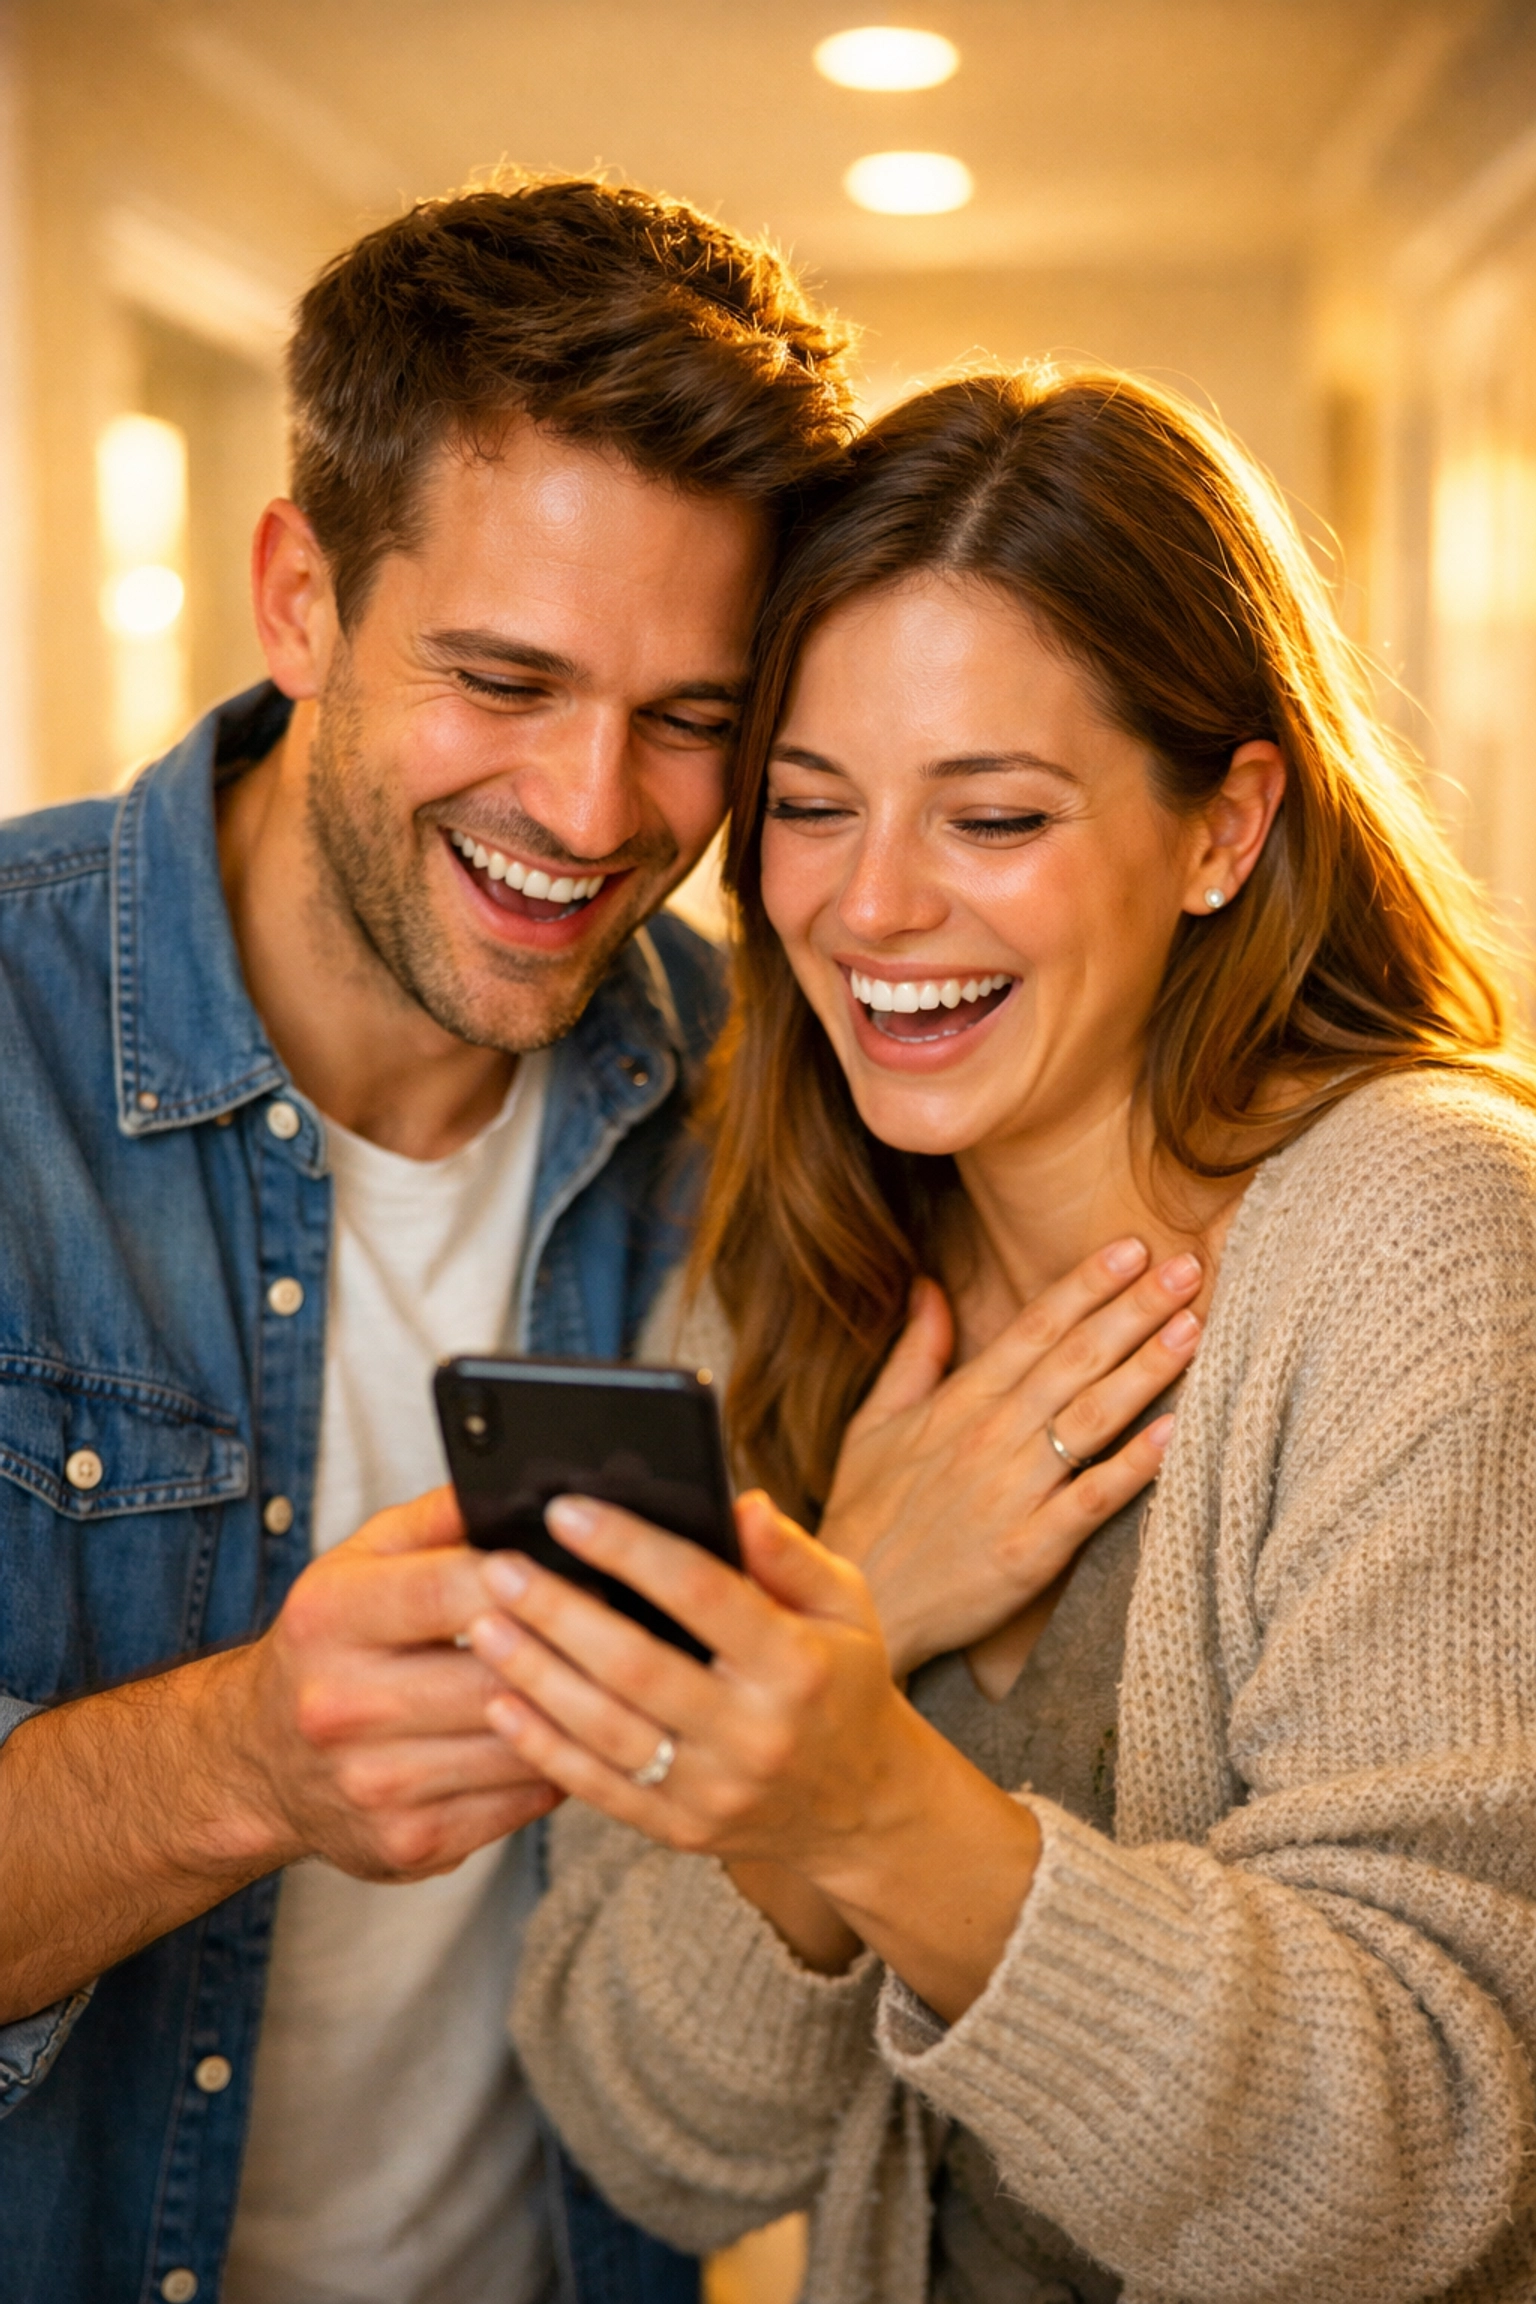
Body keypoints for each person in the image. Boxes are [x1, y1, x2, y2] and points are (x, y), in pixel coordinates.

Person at [477, 371, 1536, 2302]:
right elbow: (647, 2127)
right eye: (809, 808)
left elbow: (1428, 2156)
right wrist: (864, 1602)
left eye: (992, 815)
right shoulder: (779, 1245)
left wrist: (866, 1792)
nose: (872, 905)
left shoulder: (1425, 1235)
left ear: (1225, 827)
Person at [0, 173, 861, 2304]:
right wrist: (238, 1762)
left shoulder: (768, 1108)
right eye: (505, 679)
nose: (593, 813)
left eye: (690, 718)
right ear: (300, 600)